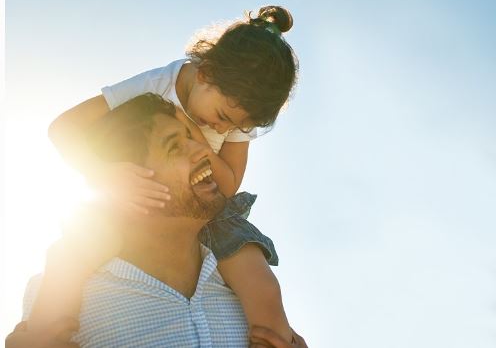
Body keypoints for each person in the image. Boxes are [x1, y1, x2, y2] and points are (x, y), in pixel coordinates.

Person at [45, 5, 299, 342]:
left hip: (215, 209)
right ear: (205, 73)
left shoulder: (236, 117)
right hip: (132, 193)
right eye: (223, 115)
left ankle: (276, 338)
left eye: (238, 127)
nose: (224, 128)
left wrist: (198, 143)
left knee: (260, 279)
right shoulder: (157, 84)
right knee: (77, 248)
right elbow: (64, 128)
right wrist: (103, 173)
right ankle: (43, 331)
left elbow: (228, 185)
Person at [8, 94, 307, 347]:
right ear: (127, 181)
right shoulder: (60, 295)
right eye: (175, 146)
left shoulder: (244, 284)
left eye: (192, 137)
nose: (204, 149)